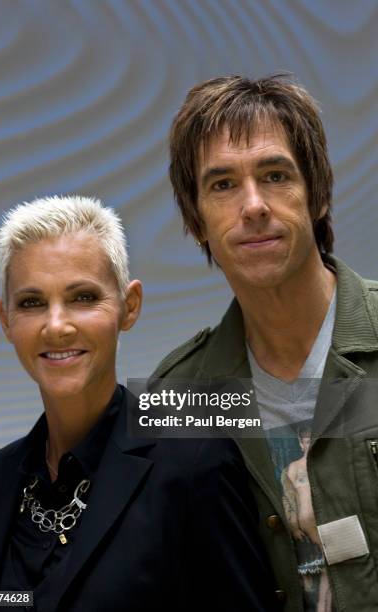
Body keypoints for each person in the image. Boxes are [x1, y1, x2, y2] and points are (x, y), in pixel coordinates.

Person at [0, 195, 277, 612]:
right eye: (31, 303)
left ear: (128, 307)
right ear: (6, 320)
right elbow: (3, 600)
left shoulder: (194, 459)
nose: (57, 324)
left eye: (82, 297)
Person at [151, 75, 378, 611]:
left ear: (318, 195)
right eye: (223, 184)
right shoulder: (179, 393)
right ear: (196, 220)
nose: (253, 206)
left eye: (275, 175)